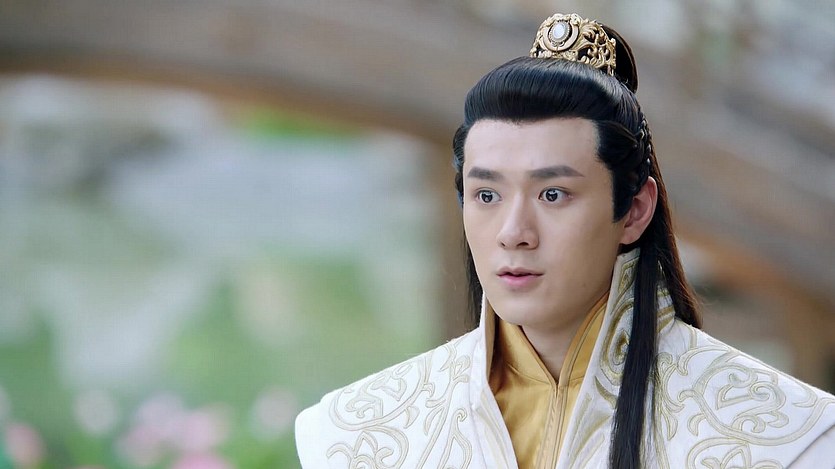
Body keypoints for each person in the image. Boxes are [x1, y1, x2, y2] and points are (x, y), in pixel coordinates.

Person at [295, 13, 835, 468]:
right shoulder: (354, 436)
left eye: (553, 194)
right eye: (486, 195)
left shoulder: (789, 437)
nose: (513, 233)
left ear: (634, 210)